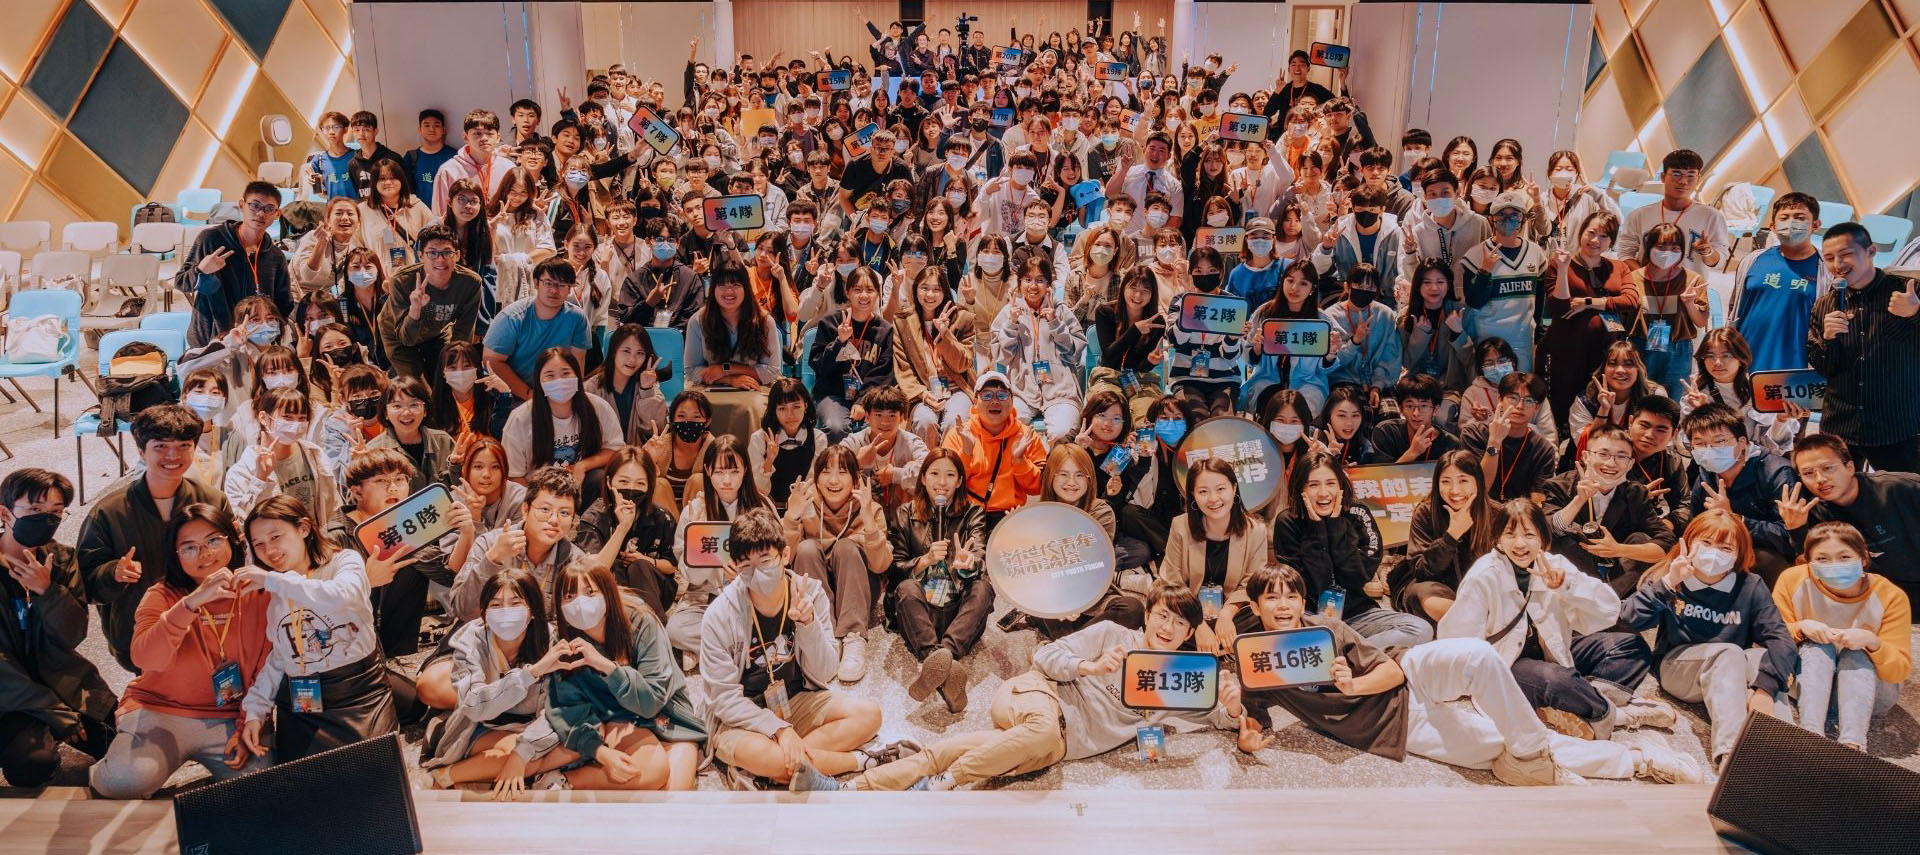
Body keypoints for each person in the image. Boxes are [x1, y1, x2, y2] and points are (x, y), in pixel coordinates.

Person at [1234, 564, 1699, 786]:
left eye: (1290, 596)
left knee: (1477, 655)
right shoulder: (1254, 655)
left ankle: (1590, 729)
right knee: (1501, 746)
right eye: (1271, 598)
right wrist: (1248, 737)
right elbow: (1253, 714)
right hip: (1393, 723)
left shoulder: (1327, 629)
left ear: (1302, 601)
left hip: (1408, 673)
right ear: (1255, 606)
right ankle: (1636, 759)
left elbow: (1390, 671)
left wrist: (1351, 683)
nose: (1283, 605)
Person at [794, 583, 1242, 792]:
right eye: (1162, 616)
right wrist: (1088, 665)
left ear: (1189, 634)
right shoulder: (1115, 635)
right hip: (1037, 697)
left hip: (1059, 744)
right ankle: (946, 784)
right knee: (1035, 735)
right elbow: (1044, 658)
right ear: (1148, 615)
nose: (1168, 627)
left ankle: (853, 789)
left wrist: (1235, 706)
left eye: (1179, 623)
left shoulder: (1179, 678)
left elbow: (1220, 716)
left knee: (944, 752)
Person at [1438, 499, 1674, 741]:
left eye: (1529, 535)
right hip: (1508, 664)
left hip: (1556, 651)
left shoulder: (1555, 565)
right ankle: (1618, 715)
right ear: (1498, 539)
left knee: (1631, 647)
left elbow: (1608, 609)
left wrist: (1566, 585)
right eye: (1510, 534)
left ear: (1543, 538)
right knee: (1558, 680)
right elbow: (1458, 636)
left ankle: (1577, 706)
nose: (1520, 544)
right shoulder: (1484, 574)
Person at [699, 508, 889, 788]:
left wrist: (808, 624)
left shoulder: (810, 593)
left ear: (785, 555)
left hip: (795, 699)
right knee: (773, 758)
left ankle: (770, 771)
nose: (756, 572)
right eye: (746, 566)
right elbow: (724, 700)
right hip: (742, 717)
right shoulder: (720, 614)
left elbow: (825, 672)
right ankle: (863, 761)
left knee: (869, 715)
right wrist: (779, 731)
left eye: (765, 560)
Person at [90, 503, 271, 798]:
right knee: (124, 781)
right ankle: (104, 767)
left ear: (232, 540)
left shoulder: (259, 592)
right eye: (189, 547)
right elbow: (145, 658)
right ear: (175, 556)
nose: (204, 553)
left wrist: (246, 723)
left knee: (261, 787)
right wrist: (191, 603)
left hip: (230, 715)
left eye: (213, 540)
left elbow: (266, 668)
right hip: (161, 710)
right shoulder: (161, 595)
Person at [1619, 510, 1796, 769]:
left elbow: (1781, 639)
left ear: (1739, 553)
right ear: (1689, 542)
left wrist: (1764, 690)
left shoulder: (1750, 585)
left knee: (1761, 657)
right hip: (1679, 666)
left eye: (1725, 548)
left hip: (1730, 670)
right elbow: (1627, 619)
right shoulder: (1672, 576)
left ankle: (1787, 753)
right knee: (1728, 652)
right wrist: (1669, 582)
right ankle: (1732, 756)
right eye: (1706, 543)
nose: (1714, 553)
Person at [237, 496, 396, 762]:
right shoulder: (276, 588)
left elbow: (345, 595)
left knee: (375, 769)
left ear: (304, 528)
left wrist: (274, 580)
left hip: (358, 695)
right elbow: (280, 657)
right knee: (304, 780)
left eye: (276, 537)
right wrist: (255, 711)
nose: (269, 550)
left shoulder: (344, 561)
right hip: (304, 703)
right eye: (259, 544)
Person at [81, 406, 233, 673]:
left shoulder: (212, 501)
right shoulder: (108, 513)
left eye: (184, 446)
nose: (173, 456)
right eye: (161, 446)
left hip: (208, 627)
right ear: (141, 451)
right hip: (140, 633)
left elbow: (233, 560)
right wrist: (113, 573)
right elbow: (85, 582)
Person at [537, 562, 706, 791]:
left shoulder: (641, 621)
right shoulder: (563, 640)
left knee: (676, 792)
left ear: (608, 592)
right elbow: (567, 706)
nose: (580, 602)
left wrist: (607, 667)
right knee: (650, 774)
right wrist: (598, 749)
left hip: (665, 714)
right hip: (614, 716)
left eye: (590, 592)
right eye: (569, 596)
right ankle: (562, 781)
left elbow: (653, 699)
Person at [0, 470, 114, 786]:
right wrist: (52, 710)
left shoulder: (61, 559)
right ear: (5, 513)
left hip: (60, 677)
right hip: (8, 697)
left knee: (120, 739)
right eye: (35, 510)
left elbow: (73, 634)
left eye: (55, 512)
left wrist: (48, 591)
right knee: (31, 763)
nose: (46, 520)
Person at [417, 568, 572, 797]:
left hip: (532, 727)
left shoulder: (551, 641)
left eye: (516, 603)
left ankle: (476, 777)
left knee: (565, 744)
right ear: (484, 613)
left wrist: (523, 753)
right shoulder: (470, 641)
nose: (506, 612)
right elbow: (474, 706)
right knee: (521, 753)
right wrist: (531, 673)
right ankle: (444, 776)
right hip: (481, 726)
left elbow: (555, 711)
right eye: (496, 605)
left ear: (532, 611)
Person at [1771, 522, 1910, 752]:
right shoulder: (1792, 580)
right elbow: (1772, 637)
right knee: (1817, 647)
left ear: (1863, 558)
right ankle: (1810, 736)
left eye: (1845, 557)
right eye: (1822, 559)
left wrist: (1872, 643)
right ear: (1809, 562)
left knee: (1856, 653)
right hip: (1808, 683)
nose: (1834, 565)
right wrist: (1800, 628)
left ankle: (1852, 745)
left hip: (1869, 692)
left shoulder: (1890, 596)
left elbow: (1898, 671)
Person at [1272, 452, 1433, 650]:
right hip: (1311, 617)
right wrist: (1317, 530)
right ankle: (1352, 653)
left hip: (1357, 615)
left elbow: (1358, 577)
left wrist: (1335, 528)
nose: (1323, 493)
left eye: (1330, 483)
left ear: (1341, 485)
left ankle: (1339, 654)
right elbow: (1309, 584)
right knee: (1286, 636)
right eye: (1313, 485)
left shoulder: (1358, 513)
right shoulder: (1287, 522)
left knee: (1420, 629)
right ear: (1300, 489)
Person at [1805, 221, 1920, 472]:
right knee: (1838, 494)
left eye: (1846, 254)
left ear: (1871, 251)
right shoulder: (1825, 305)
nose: (1838, 264)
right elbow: (1824, 368)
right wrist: (1828, 338)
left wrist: (1915, 314)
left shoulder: (1908, 292)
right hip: (1840, 428)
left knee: (1904, 493)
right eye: (1829, 258)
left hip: (1896, 427)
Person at [889, 450, 989, 713]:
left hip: (958, 614)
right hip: (921, 612)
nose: (942, 482)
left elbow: (980, 557)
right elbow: (894, 570)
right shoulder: (904, 513)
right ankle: (946, 668)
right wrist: (924, 560)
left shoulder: (973, 513)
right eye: (934, 473)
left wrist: (968, 564)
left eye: (950, 475)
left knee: (983, 588)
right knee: (906, 588)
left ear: (960, 481)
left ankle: (938, 659)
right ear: (923, 478)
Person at [782, 447, 893, 683]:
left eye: (842, 472)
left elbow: (881, 565)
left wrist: (868, 521)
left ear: (855, 478)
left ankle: (853, 637)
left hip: (856, 590)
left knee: (846, 547)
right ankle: (824, 634)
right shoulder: (805, 503)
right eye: (826, 472)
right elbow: (784, 556)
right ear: (816, 477)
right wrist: (791, 517)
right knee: (806, 548)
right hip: (816, 586)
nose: (833, 480)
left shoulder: (869, 507)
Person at [1781, 434, 1920, 617]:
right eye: (1808, 473)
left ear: (1850, 467)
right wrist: (1796, 529)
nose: (1820, 479)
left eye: (1828, 468)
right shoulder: (1812, 512)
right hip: (1878, 604)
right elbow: (1814, 570)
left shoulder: (1903, 488)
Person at [667, 437, 778, 660]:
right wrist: (701, 532)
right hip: (705, 597)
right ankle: (737, 649)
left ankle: (712, 650)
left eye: (734, 471)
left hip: (753, 595)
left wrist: (745, 577)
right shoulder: (694, 510)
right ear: (708, 471)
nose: (726, 480)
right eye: (719, 472)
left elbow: (775, 562)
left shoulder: (762, 505)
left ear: (745, 470)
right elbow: (692, 577)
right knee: (676, 630)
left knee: (768, 621)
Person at [1537, 425, 1675, 597]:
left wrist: (1618, 549)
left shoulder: (1635, 493)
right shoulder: (1559, 485)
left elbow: (1667, 542)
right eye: (1603, 454)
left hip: (1617, 574)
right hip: (1573, 572)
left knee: (1641, 539)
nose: (1611, 463)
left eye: (1621, 456)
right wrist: (1578, 500)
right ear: (1586, 456)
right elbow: (1548, 534)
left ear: (1630, 464)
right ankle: (1600, 602)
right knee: (1565, 542)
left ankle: (1605, 599)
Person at [1159, 457, 1273, 653]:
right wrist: (1198, 624)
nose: (1213, 499)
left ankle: (1211, 646)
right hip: (1188, 610)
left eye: (1221, 489)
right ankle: (1219, 647)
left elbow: (1251, 583)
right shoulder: (1180, 526)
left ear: (1234, 489)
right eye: (1203, 491)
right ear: (1193, 495)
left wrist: (1226, 615)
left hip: (1233, 611)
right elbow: (1173, 582)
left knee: (1262, 616)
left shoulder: (1256, 531)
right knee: (1166, 623)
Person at [1681, 403, 1798, 582]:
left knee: (1765, 562)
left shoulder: (1776, 473)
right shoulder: (1706, 473)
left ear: (1742, 442)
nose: (1709, 449)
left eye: (1719, 441)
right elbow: (1694, 525)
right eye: (1700, 444)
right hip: (1717, 547)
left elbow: (1789, 537)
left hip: (1761, 552)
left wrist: (1735, 519)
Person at [1540, 211, 1634, 426]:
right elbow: (1560, 307)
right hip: (1567, 350)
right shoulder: (1559, 263)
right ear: (1581, 232)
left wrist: (1588, 302)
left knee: (1598, 402)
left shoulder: (1619, 267)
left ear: (1611, 241)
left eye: (1604, 236)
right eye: (1591, 233)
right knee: (1563, 407)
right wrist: (1563, 270)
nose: (1595, 240)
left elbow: (1630, 300)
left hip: (1605, 351)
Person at [176, 181, 294, 348]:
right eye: (255, 206)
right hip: (213, 340)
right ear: (241, 205)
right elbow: (181, 283)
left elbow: (283, 303)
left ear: (277, 214)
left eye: (269, 208)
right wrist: (200, 270)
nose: (260, 213)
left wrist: (270, 332)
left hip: (254, 341)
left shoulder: (275, 256)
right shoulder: (211, 240)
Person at [1388, 451, 1492, 623]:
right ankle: (1476, 626)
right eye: (1446, 482)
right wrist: (1451, 536)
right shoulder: (1426, 512)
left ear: (1478, 482)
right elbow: (1422, 572)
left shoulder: (1496, 513)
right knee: (1429, 598)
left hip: (1482, 591)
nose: (1454, 490)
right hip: (1436, 585)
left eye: (1463, 481)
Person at [685, 262, 783, 443]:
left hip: (754, 387)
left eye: (736, 285)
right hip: (710, 387)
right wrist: (729, 379)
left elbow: (771, 371)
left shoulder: (764, 321)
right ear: (713, 289)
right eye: (721, 285)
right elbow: (691, 370)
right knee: (695, 410)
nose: (728, 291)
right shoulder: (698, 320)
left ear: (746, 288)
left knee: (753, 409)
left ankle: (752, 458)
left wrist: (725, 369)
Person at [992, 256, 1087, 441]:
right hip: (1022, 391)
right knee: (1006, 427)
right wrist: (1011, 324)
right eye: (1028, 279)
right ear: (1019, 283)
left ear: (1049, 285)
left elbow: (1075, 353)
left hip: (1060, 390)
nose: (1033, 286)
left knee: (1062, 432)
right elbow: (1002, 357)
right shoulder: (1009, 312)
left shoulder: (1061, 310)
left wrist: (1055, 323)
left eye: (1040, 280)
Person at [573, 448, 678, 616]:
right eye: (623, 481)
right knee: (614, 568)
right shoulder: (594, 517)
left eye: (640, 484)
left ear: (649, 485)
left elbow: (671, 566)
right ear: (609, 481)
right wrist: (623, 528)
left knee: (639, 567)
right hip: (608, 590)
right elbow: (592, 571)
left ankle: (652, 623)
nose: (631, 489)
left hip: (654, 590)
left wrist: (645, 560)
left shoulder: (661, 517)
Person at [501, 349, 623, 490]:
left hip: (581, 485)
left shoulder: (598, 406)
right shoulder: (520, 418)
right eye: (550, 375)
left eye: (566, 373)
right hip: (537, 492)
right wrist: (540, 498)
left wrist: (582, 465)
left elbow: (615, 449)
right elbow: (513, 476)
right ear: (539, 382)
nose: (559, 381)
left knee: (600, 478)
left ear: (577, 375)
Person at [1728, 193, 1824, 372]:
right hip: (1745, 361)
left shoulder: (1826, 269)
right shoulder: (1752, 260)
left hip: (1795, 368)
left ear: (1816, 225)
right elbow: (1735, 308)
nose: (1791, 223)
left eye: (1800, 218)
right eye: (1784, 218)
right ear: (1772, 226)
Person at [942, 372, 1047, 531]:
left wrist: (1020, 462)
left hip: (1010, 515)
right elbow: (946, 484)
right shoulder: (959, 434)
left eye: (1002, 395)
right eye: (987, 395)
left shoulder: (1026, 436)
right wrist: (966, 453)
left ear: (1012, 401)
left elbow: (1039, 487)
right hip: (967, 515)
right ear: (975, 401)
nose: (995, 401)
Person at [378, 224, 485, 379]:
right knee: (418, 387)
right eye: (432, 253)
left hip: (437, 333)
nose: (440, 259)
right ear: (421, 256)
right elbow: (406, 339)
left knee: (445, 380)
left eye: (447, 252)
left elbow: (464, 331)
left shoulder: (470, 283)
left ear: (457, 255)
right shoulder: (402, 281)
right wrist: (415, 309)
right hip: (398, 335)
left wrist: (455, 365)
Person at [808, 267, 898, 441]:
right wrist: (839, 342)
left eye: (870, 290)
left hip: (870, 397)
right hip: (832, 394)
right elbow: (818, 365)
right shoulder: (831, 322)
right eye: (857, 290)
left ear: (878, 294)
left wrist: (863, 401)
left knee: (879, 428)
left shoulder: (885, 330)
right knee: (837, 428)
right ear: (847, 292)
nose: (864, 296)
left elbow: (884, 375)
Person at [1461, 191, 1547, 372]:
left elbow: (1540, 299)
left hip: (1522, 339)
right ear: (1492, 218)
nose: (1508, 219)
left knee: (1520, 387)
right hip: (1488, 341)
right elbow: (1474, 302)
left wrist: (1538, 333)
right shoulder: (1475, 254)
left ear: (1522, 219)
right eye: (1501, 214)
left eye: (1514, 214)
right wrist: (1485, 271)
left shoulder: (1535, 253)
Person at [892, 266, 977, 446]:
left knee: (955, 421)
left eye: (937, 289)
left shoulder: (962, 318)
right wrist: (922, 394)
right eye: (924, 288)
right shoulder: (902, 322)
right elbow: (903, 367)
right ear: (915, 289)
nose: (930, 294)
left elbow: (963, 364)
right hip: (922, 391)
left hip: (957, 389)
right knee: (925, 422)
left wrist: (945, 334)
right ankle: (928, 463)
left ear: (945, 292)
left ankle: (950, 462)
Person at [1623, 223, 1710, 399]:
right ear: (1649, 248)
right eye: (1661, 247)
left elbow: (1701, 322)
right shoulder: (1632, 278)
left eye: (1674, 248)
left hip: (1677, 350)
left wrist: (1689, 303)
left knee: (1673, 402)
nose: (1667, 253)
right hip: (1640, 347)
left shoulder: (1692, 279)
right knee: (1640, 400)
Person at [1614, 149, 1728, 275]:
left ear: (1698, 179)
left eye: (1691, 175)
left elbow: (1719, 262)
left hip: (1690, 286)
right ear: (1663, 177)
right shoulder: (1639, 215)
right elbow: (1625, 254)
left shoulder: (1712, 216)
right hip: (1647, 285)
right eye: (1676, 174)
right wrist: (1644, 277)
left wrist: (1708, 252)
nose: (1683, 181)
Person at [1460, 371, 1558, 504]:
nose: (1520, 406)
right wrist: (1494, 442)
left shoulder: (1543, 450)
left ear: (1536, 407)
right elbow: (1478, 488)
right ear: (1500, 400)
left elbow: (1538, 500)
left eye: (1529, 401)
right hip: (1478, 509)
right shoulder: (1474, 434)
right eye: (1513, 398)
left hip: (1520, 513)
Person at [431, 109, 516, 216]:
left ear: (498, 137)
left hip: (501, 226)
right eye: (477, 133)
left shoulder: (508, 168)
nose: (484, 138)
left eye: (490, 133)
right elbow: (439, 214)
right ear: (465, 137)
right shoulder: (448, 170)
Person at [1370, 374, 1456, 465]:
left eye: (1423, 406)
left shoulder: (1450, 444)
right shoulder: (1386, 432)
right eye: (1409, 406)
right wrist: (1413, 452)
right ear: (1401, 409)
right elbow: (1382, 474)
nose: (1416, 413)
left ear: (1435, 410)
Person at [404, 109, 457, 212]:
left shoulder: (454, 156)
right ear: (419, 130)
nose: (432, 129)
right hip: (420, 214)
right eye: (427, 125)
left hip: (448, 215)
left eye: (436, 125)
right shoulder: (411, 157)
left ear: (444, 130)